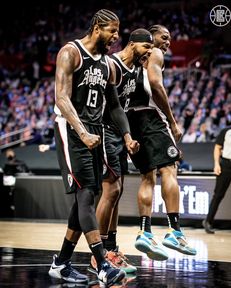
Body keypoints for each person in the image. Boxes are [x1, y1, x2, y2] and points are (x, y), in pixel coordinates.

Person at [48, 9, 139, 286]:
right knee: (86, 194)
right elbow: (61, 98)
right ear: (97, 27)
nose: (116, 37)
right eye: (112, 30)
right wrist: (83, 132)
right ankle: (102, 264)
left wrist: (126, 136)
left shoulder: (108, 65)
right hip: (71, 129)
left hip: (95, 132)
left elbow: (114, 105)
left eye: (117, 31)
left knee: (87, 196)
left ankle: (61, 262)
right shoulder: (70, 52)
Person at [126, 24, 197, 260]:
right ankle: (174, 231)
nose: (167, 43)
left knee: (147, 176)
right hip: (151, 117)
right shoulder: (154, 52)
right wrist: (172, 120)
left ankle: (144, 232)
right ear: (152, 37)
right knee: (169, 169)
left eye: (169, 39)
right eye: (164, 37)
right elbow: (155, 84)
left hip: (130, 120)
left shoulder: (130, 60)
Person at [89, 28, 153, 274]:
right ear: (133, 43)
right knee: (111, 189)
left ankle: (111, 247)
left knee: (118, 191)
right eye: (146, 47)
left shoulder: (137, 69)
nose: (149, 52)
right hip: (105, 130)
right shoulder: (112, 64)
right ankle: (99, 254)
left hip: (121, 134)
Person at [202, 109, 231, 234]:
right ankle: (208, 221)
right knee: (218, 195)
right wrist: (216, 164)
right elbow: (217, 148)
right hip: (226, 164)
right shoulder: (226, 131)